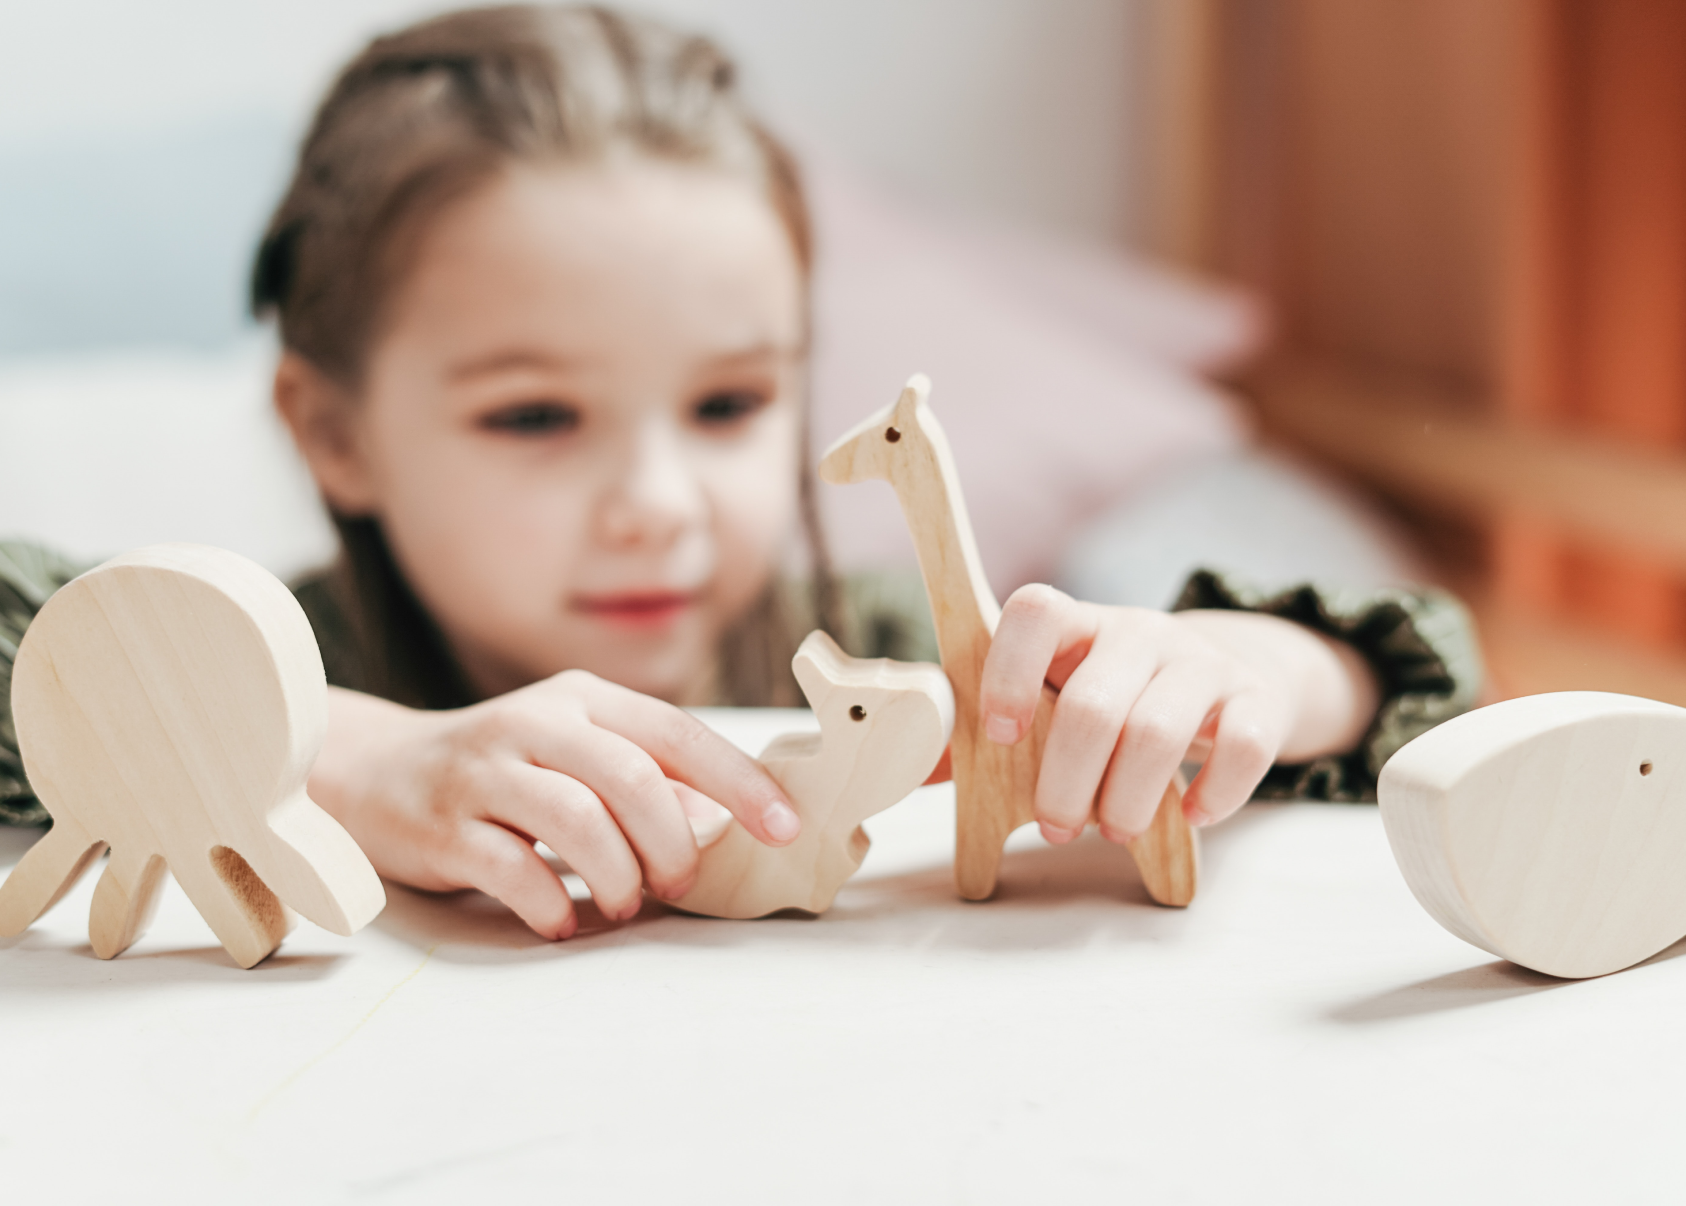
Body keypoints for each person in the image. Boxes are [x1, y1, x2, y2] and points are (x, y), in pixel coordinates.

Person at [0, 4, 1479, 939]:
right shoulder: (256, 668)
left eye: (725, 404)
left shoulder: (914, 680)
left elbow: (1425, 685)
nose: (661, 500)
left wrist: (1261, 671)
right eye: (533, 417)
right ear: (330, 433)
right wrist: (343, 752)